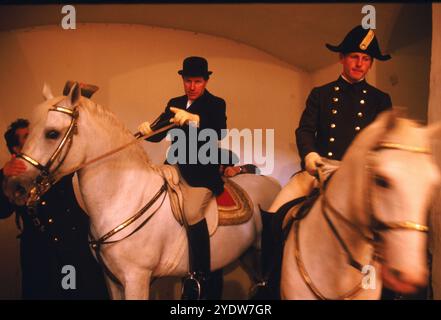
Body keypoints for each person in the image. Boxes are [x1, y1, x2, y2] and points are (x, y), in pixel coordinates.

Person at [258, 25, 393, 299]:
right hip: (318, 170)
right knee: (275, 216)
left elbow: (384, 144)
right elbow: (305, 130)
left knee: (389, 226)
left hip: (359, 178)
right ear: (342, 58)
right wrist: (309, 154)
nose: (360, 63)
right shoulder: (321, 94)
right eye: (355, 56)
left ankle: (388, 291)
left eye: (366, 59)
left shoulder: (380, 100)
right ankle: (268, 283)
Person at [0, 83, 109, 300]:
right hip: (39, 256)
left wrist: (81, 98)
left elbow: (75, 139)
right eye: (26, 139)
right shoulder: (11, 176)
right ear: (15, 149)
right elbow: (2, 211)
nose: (34, 141)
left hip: (74, 253)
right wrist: (3, 175)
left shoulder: (56, 164)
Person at [138, 56, 227, 299]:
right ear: (183, 80)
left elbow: (220, 131)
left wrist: (195, 120)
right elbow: (159, 133)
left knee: (191, 212)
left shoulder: (216, 104)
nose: (192, 86)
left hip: (202, 173)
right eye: (188, 81)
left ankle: (200, 274)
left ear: (206, 81)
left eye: (197, 81)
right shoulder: (174, 102)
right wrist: (148, 130)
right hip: (174, 166)